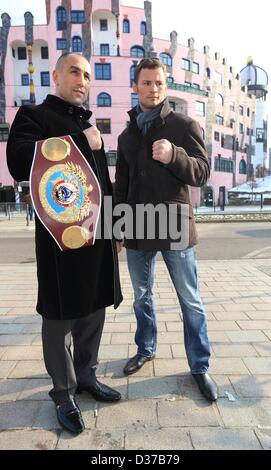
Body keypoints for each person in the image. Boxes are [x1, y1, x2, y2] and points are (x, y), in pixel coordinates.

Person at [7, 53, 123, 435]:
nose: (82, 80)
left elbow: (101, 186)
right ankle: (64, 392)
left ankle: (86, 376)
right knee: (59, 317)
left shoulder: (87, 123)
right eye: (75, 71)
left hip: (96, 234)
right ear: (55, 75)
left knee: (94, 307)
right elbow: (21, 161)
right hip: (59, 240)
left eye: (88, 75)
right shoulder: (34, 116)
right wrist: (77, 140)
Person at [115, 58, 217, 401]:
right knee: (142, 296)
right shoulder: (126, 135)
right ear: (136, 86)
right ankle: (145, 348)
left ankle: (200, 365)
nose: (153, 89)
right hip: (138, 225)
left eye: (158, 83)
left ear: (165, 86)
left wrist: (174, 155)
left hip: (174, 223)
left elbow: (202, 173)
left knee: (190, 299)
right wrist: (117, 227)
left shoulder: (183, 125)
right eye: (146, 83)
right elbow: (122, 184)